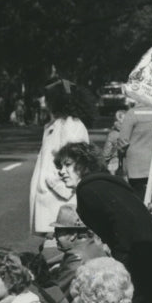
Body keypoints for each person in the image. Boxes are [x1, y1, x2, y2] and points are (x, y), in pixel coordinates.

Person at [54, 142, 152, 303]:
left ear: (84, 164)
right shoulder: (108, 183)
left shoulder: (88, 190)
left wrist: (118, 274)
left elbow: (123, 237)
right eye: (60, 166)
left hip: (142, 270)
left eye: (68, 165)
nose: (62, 171)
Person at [29, 78, 90, 238]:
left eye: (47, 96)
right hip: (50, 195)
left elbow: (74, 161)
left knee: (60, 240)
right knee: (53, 241)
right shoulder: (54, 125)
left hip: (59, 198)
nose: (43, 100)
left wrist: (55, 184)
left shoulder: (71, 125)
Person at [115, 103, 152, 199]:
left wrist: (120, 154)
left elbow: (123, 141)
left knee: (138, 196)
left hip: (136, 164)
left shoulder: (132, 113)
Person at [101, 107, 127, 175]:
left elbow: (106, 154)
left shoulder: (112, 134)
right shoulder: (133, 132)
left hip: (115, 164)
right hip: (130, 163)